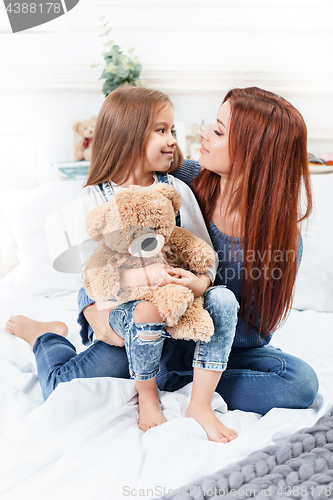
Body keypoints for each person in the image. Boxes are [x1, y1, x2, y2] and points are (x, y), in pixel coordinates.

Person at [7, 86, 319, 426]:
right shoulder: (181, 181)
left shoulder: (280, 240)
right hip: (146, 320)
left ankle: (173, 380)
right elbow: (108, 241)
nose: (201, 133)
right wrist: (91, 306)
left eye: (218, 129)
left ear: (252, 151)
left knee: (300, 383)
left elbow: (254, 335)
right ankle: (46, 336)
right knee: (61, 390)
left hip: (210, 343)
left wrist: (203, 298)